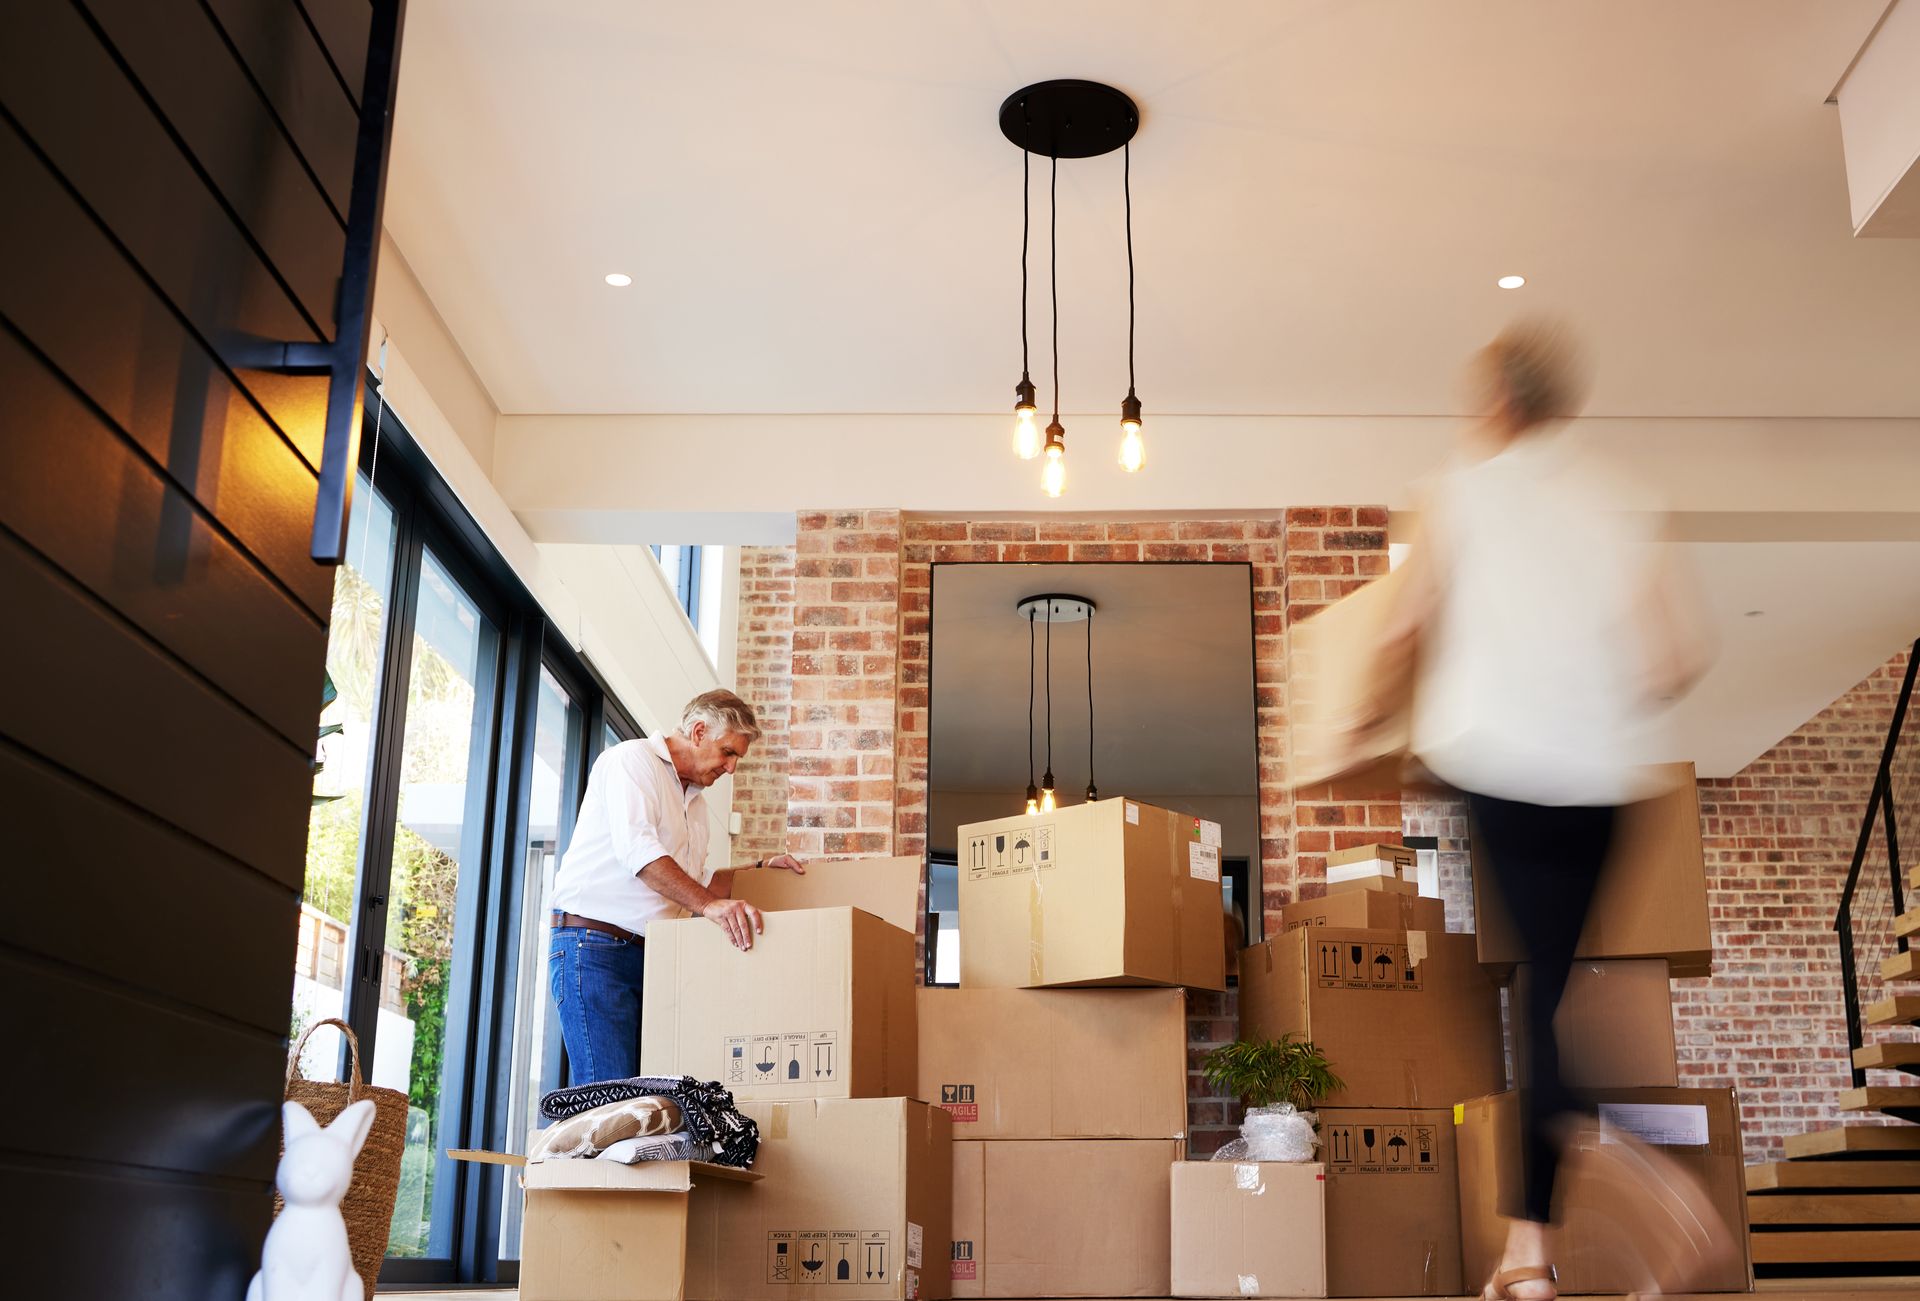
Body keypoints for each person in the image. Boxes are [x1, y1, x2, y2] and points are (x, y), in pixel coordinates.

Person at [1370, 321, 1716, 1301]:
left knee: (1540, 1007)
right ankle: (1529, 1255)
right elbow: (1674, 659)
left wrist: (1364, 717)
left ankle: (1653, 1192)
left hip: (1504, 770)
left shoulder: (1463, 491)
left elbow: (1402, 628)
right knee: (1549, 997)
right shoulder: (1622, 497)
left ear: (1496, 404)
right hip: (1604, 786)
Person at [547, 688, 805, 1085]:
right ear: (698, 731)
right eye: (728, 752)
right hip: (595, 950)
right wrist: (710, 906)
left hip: (653, 959)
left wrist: (759, 870)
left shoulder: (697, 805)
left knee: (649, 1106)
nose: (732, 768)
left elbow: (695, 887)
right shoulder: (631, 763)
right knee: (612, 1103)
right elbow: (642, 856)